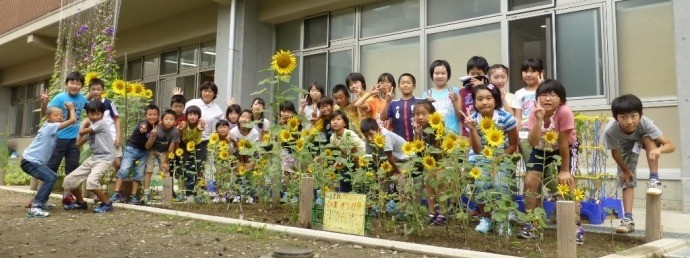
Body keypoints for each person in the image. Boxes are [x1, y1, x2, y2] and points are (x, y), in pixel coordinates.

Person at [604, 94, 675, 234]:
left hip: (644, 138)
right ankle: (628, 220)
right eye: (623, 117)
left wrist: (658, 150)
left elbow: (670, 145)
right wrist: (625, 170)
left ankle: (654, 179)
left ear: (640, 114)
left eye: (633, 116)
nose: (629, 121)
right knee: (627, 179)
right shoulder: (610, 131)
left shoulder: (646, 123)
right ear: (615, 118)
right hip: (625, 145)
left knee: (648, 138)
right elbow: (615, 153)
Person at [519, 79, 578, 239]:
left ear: (561, 99)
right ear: (537, 98)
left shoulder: (564, 112)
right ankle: (532, 223)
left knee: (567, 182)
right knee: (530, 182)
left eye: (553, 95)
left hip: (565, 148)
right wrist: (539, 119)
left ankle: (575, 227)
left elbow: (564, 143)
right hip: (541, 147)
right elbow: (532, 142)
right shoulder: (534, 112)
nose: (547, 98)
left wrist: (565, 170)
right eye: (543, 95)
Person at [464, 84, 518, 234]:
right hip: (481, 157)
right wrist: (473, 129)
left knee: (500, 184)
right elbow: (477, 150)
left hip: (503, 156)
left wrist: (499, 159)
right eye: (479, 99)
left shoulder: (505, 118)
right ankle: (486, 218)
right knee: (481, 184)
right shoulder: (473, 119)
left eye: (489, 98)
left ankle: (503, 219)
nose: (484, 102)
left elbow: (513, 145)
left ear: (496, 100)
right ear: (474, 103)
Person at [41, 71, 89, 205]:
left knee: (72, 170)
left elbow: (91, 110)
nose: (74, 86)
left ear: (81, 86)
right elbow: (46, 114)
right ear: (66, 83)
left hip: (74, 140)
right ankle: (41, 198)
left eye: (78, 83)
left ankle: (68, 197)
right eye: (72, 82)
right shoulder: (60, 98)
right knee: (51, 168)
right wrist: (44, 103)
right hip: (59, 138)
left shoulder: (82, 99)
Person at [22, 103, 77, 218]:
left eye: (61, 116)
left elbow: (65, 122)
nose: (59, 117)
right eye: (56, 115)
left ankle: (42, 202)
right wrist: (71, 109)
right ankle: (36, 207)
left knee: (52, 176)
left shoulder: (49, 127)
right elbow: (72, 120)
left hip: (30, 161)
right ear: (48, 117)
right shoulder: (50, 127)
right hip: (30, 161)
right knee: (50, 178)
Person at [62, 100, 115, 213]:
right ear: (88, 114)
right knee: (69, 180)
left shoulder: (101, 124)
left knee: (92, 181)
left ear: (102, 114)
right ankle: (81, 202)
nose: (95, 117)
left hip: (104, 158)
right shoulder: (92, 128)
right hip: (94, 158)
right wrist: (84, 129)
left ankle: (106, 203)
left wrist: (83, 123)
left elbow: (81, 132)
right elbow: (78, 143)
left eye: (98, 114)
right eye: (92, 114)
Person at [109, 105, 159, 205]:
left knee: (139, 173)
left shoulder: (158, 126)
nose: (152, 117)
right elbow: (142, 127)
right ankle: (116, 193)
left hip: (144, 152)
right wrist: (143, 129)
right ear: (146, 115)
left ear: (158, 116)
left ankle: (133, 196)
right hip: (131, 149)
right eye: (150, 115)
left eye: (155, 115)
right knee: (124, 169)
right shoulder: (143, 123)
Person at [411, 99, 447, 225]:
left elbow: (442, 150)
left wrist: (439, 166)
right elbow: (417, 150)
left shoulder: (438, 127)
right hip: (430, 162)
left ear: (431, 114)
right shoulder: (419, 128)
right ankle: (432, 211)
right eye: (417, 114)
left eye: (424, 113)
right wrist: (417, 134)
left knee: (440, 180)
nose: (420, 117)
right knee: (428, 181)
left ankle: (443, 212)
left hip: (443, 161)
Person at [183, 82, 225, 174]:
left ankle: (200, 186)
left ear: (214, 94)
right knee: (187, 166)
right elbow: (182, 117)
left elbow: (225, 121)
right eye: (205, 91)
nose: (207, 93)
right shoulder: (192, 102)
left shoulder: (216, 107)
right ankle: (188, 188)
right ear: (201, 91)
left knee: (201, 167)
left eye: (210, 91)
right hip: (189, 139)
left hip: (204, 141)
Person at [84, 78, 122, 171]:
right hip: (97, 140)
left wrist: (118, 137)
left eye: (98, 89)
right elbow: (80, 102)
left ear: (103, 90)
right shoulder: (89, 104)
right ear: (89, 91)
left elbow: (116, 119)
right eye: (93, 89)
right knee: (97, 164)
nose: (96, 92)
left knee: (117, 163)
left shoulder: (109, 103)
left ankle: (115, 183)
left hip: (111, 137)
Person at [142, 109, 180, 203]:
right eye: (166, 119)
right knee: (148, 169)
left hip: (164, 151)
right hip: (152, 150)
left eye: (171, 119)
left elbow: (171, 148)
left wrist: (166, 162)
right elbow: (147, 146)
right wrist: (152, 136)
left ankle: (167, 195)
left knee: (165, 169)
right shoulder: (156, 129)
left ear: (175, 121)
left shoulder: (175, 132)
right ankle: (146, 193)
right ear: (161, 120)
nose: (168, 121)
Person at [512, 58, 544, 165]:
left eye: (533, 71)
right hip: (524, 134)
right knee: (532, 166)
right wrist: (515, 140)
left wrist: (542, 86)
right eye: (525, 71)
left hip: (543, 133)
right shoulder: (518, 93)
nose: (528, 74)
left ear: (541, 73)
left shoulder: (545, 91)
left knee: (546, 167)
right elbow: (517, 117)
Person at [329, 110, 367, 193]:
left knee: (358, 181)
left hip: (363, 159)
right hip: (351, 160)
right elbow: (341, 153)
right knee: (342, 177)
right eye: (332, 120)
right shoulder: (332, 138)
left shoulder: (349, 134)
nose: (335, 122)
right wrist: (337, 163)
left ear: (345, 123)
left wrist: (357, 170)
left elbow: (355, 151)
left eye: (338, 119)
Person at [422, 60, 462, 135]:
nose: (440, 76)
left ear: (448, 74)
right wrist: (428, 105)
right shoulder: (426, 94)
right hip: (433, 135)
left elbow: (460, 116)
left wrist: (454, 102)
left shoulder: (455, 91)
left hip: (452, 135)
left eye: (443, 73)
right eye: (436, 73)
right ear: (432, 74)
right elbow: (423, 118)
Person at [380, 73, 420, 142]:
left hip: (417, 142)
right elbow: (383, 118)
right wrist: (387, 102)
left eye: (408, 83)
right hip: (398, 143)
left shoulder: (420, 102)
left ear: (414, 86)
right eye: (403, 83)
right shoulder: (393, 103)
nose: (405, 85)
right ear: (398, 87)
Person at [457, 56, 490, 137]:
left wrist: (481, 87)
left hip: (486, 133)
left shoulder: (490, 90)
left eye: (478, 74)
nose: (475, 77)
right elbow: (459, 114)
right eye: (472, 74)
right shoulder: (462, 92)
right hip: (467, 134)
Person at [178, 105, 205, 201]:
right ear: (186, 115)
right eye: (190, 114)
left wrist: (199, 128)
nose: (192, 117)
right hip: (185, 147)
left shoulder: (200, 124)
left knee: (200, 168)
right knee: (187, 168)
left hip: (198, 147)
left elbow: (199, 130)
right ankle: (188, 192)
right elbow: (180, 134)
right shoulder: (184, 124)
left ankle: (199, 192)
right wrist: (180, 129)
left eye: (195, 114)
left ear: (199, 116)